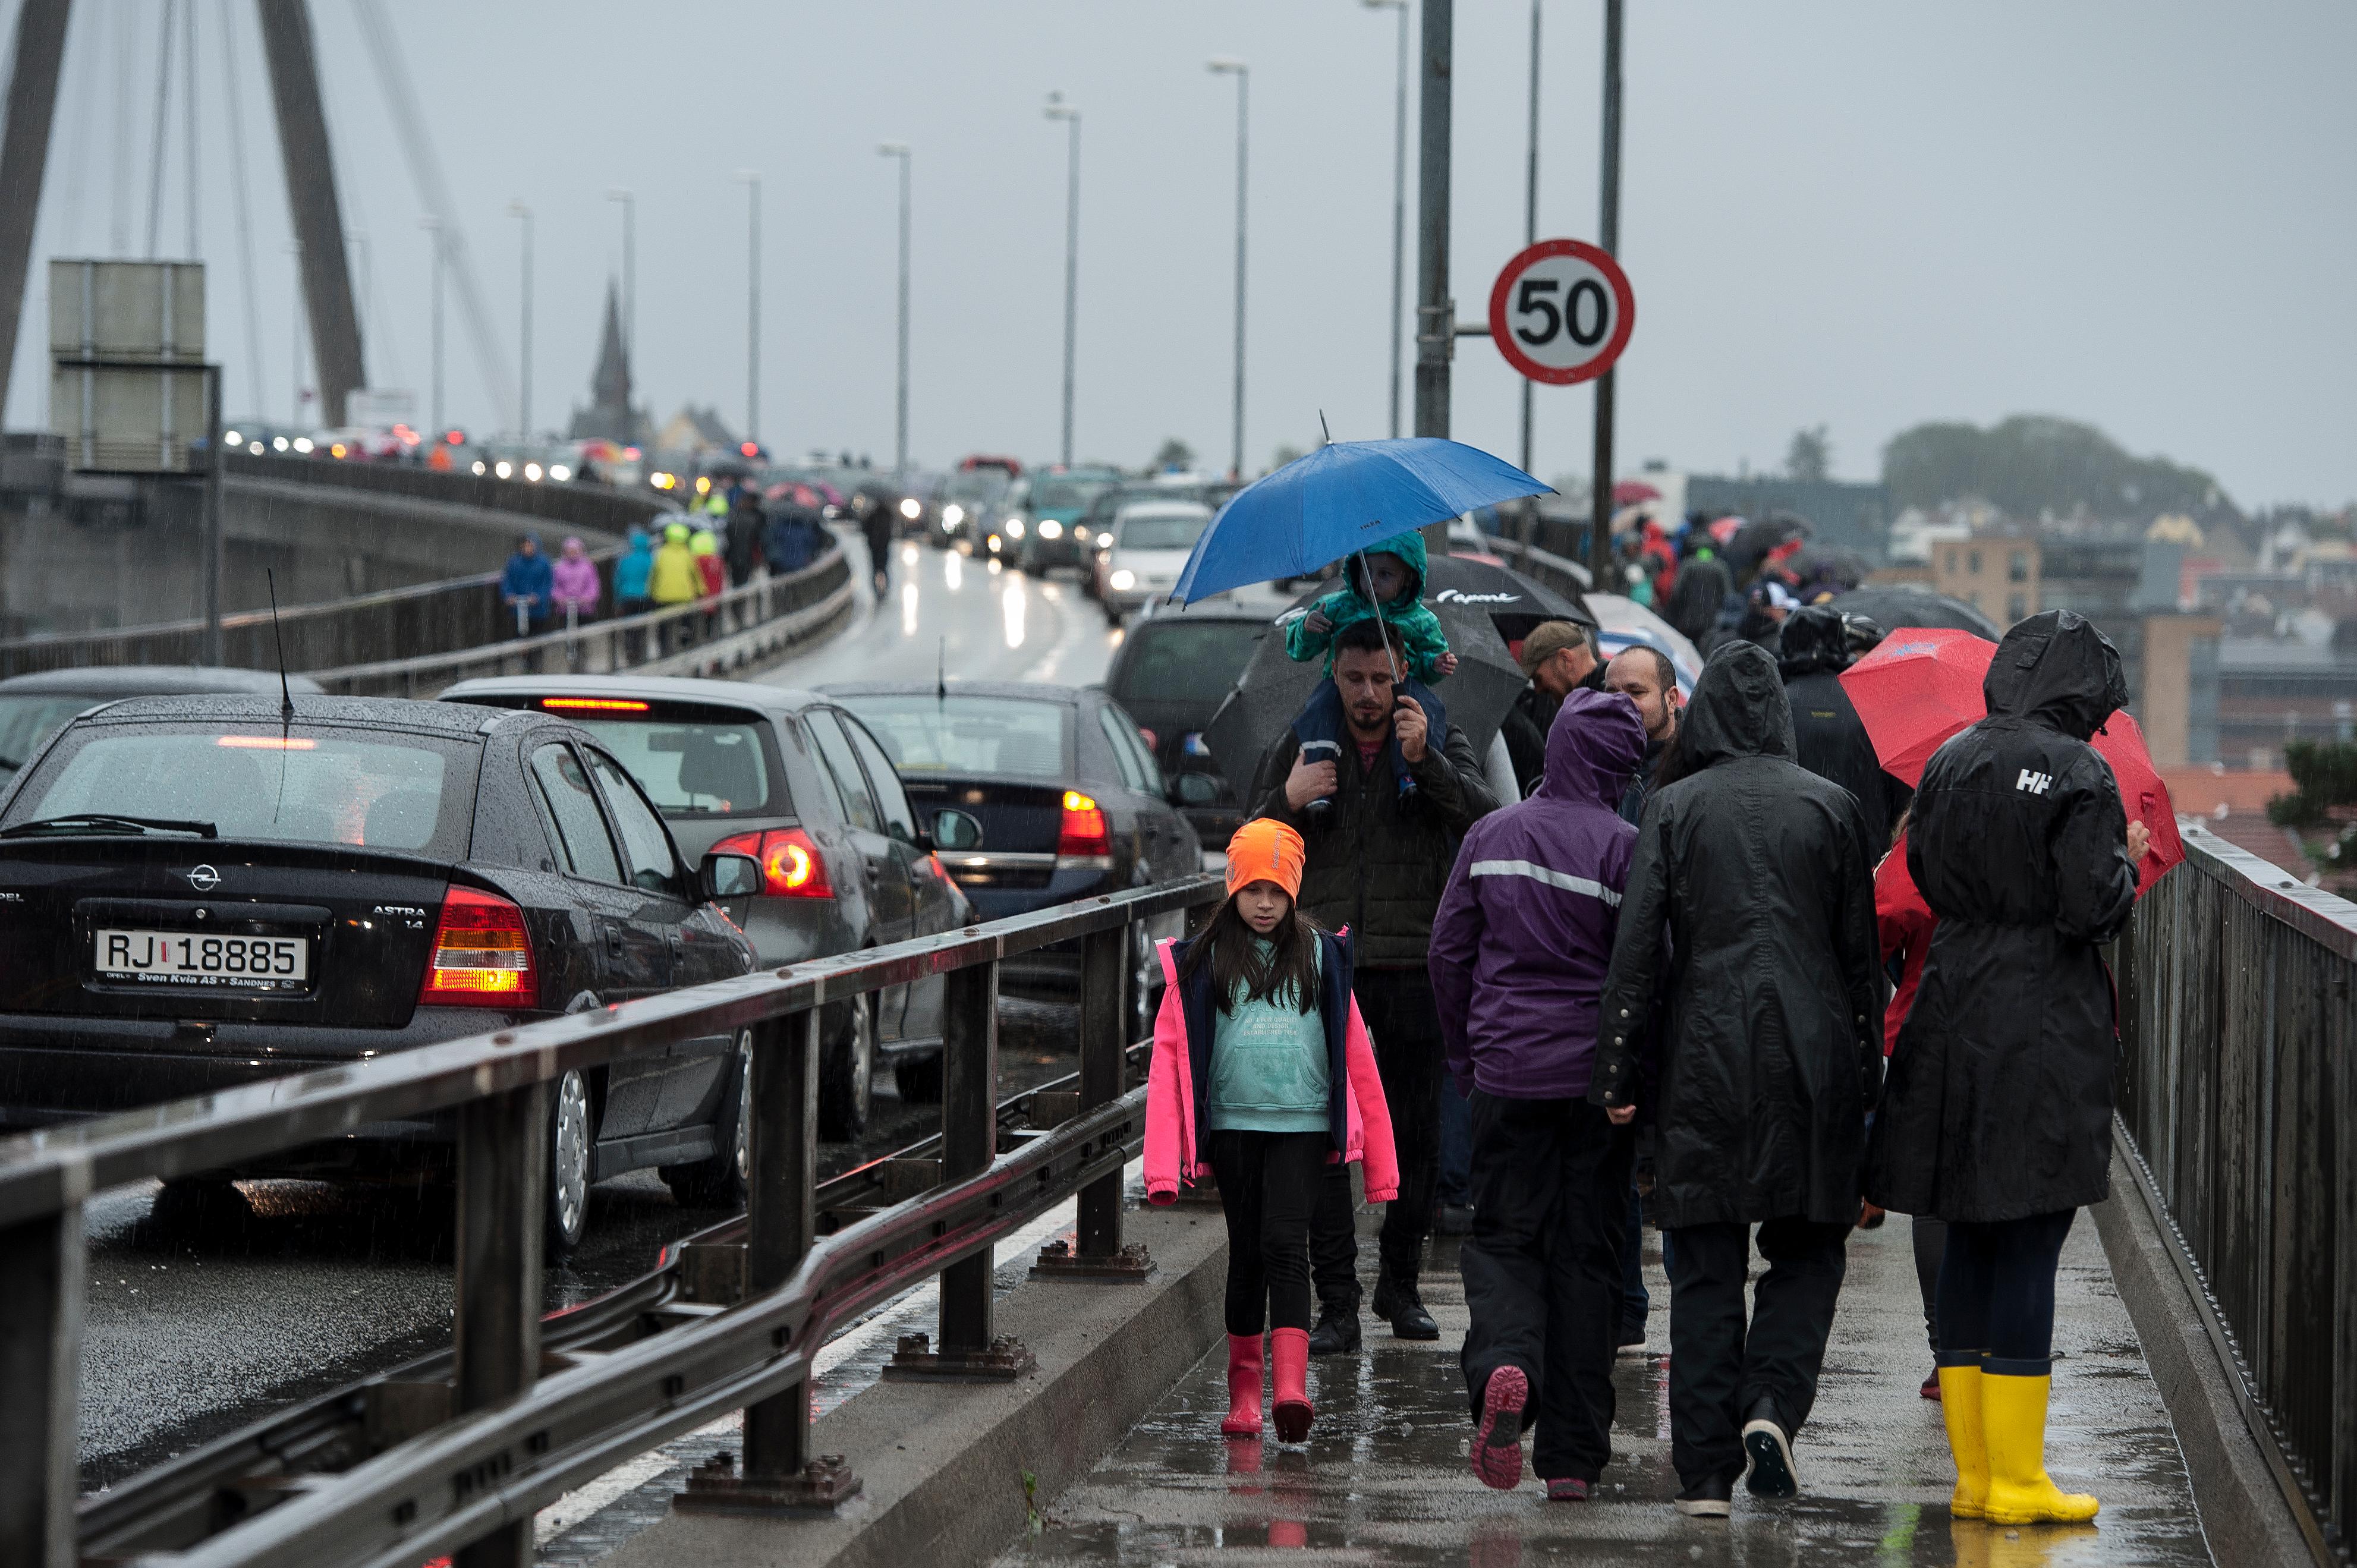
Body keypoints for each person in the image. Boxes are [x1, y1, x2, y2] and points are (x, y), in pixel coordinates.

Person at [1865, 610, 2147, 1528]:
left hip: (1951, 1002)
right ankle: (2022, 1477)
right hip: (2039, 1019)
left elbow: (1928, 876)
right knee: (2029, 1238)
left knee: (1970, 1237)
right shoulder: (2078, 771)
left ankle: (1976, 1474)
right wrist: (2128, 865)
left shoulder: (1947, 760)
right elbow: (2089, 907)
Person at [1588, 642, 1883, 1519]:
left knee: (1706, 1267)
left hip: (1701, 1056)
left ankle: (1705, 1473)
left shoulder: (1672, 807)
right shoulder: (1832, 807)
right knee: (1807, 1248)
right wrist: (1865, 1084)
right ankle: (1773, 1404)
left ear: (1705, 709)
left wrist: (1615, 1070)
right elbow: (1859, 962)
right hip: (1812, 1054)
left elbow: (1636, 954)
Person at [1248, 615, 1499, 1350]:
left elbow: (1485, 821)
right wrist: (1286, 801)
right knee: (1325, 1137)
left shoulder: (1431, 731)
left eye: (1380, 680)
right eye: (1353, 679)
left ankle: (1401, 1286)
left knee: (1415, 1136)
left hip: (1413, 967)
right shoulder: (1303, 742)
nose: (1367, 695)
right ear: (1333, 675)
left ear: (1401, 678)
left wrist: (1426, 763)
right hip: (1323, 967)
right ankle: (1337, 1303)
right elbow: (1250, 844)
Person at [1429, 688, 1648, 1502]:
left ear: (1552, 750)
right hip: (1594, 1088)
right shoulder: (1627, 849)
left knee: (1505, 1240)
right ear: (1620, 770)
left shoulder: (1492, 834)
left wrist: (1467, 1058)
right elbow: (1644, 971)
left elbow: (1447, 956)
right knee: (1587, 1257)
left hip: (1507, 1074)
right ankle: (1572, 1458)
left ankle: (1504, 1361)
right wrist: (1635, 1078)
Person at [1144, 820, 1399, 1446]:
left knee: (1288, 1245)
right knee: (1248, 1255)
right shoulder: (1202, 961)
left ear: (1293, 893)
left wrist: (1380, 1164)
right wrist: (1160, 1165)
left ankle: (1289, 1390)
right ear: (1232, 887)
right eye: (1253, 888)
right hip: (1233, 1128)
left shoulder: (1318, 955)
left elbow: (1356, 1060)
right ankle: (1243, 1397)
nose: (1264, 903)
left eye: (1276, 891)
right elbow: (1168, 1057)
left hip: (1302, 1127)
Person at [1283, 532, 1459, 809]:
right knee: (1319, 709)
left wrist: (1435, 665)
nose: (1372, 583)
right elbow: (1299, 649)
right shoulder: (1337, 606)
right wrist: (1307, 628)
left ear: (1409, 578)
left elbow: (1429, 659)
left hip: (1404, 684)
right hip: (1337, 686)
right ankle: (1319, 782)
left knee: (1428, 709)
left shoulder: (1422, 620)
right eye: (1367, 571)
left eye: (1385, 575)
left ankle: (1411, 774)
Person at [1872, 807, 1946, 1400]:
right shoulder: (2041, 825)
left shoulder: (1925, 840)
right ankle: (1996, 1343)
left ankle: (1946, 1350)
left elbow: (1883, 920)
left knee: (1933, 1198)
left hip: (1930, 1029)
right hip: (2019, 1036)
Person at [1778, 604, 1909, 854]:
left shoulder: (1775, 704)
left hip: (1793, 854)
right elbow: (1900, 795)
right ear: (1840, 644)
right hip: (1863, 854)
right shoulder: (1872, 703)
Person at [1500, 620, 1602, 798]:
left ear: (1565, 659)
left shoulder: (1607, 700)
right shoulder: (1589, 701)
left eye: (1538, 678)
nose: (1538, 689)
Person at [1603, 645, 1682, 827]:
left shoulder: (1695, 764)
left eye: (1636, 692)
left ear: (1671, 700)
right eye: (1612, 693)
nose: (1621, 704)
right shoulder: (1595, 759)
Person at [1662, 547, 1732, 650]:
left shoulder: (1687, 565)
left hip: (1689, 619)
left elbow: (1676, 592)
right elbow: (1729, 594)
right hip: (1712, 619)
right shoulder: (1721, 566)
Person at [649, 521, 700, 651]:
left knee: (665, 626)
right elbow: (695, 575)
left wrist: (652, 592)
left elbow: (654, 575)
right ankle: (685, 645)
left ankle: (665, 649)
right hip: (684, 596)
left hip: (664, 597)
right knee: (685, 623)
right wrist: (701, 590)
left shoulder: (661, 554)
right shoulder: (687, 554)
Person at [499, 532, 553, 637]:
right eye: (525, 545)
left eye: (530, 545)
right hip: (517, 610)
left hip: (538, 611)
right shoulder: (514, 562)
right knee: (518, 638)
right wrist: (509, 595)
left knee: (537, 640)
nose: (527, 548)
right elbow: (507, 581)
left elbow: (548, 583)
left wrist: (538, 597)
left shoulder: (544, 563)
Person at [549, 536, 601, 625]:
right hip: (564, 611)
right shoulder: (559, 568)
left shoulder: (588, 566)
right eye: (569, 551)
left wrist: (586, 599)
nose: (572, 553)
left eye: (574, 550)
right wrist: (560, 599)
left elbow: (593, 585)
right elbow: (554, 586)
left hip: (585, 610)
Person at [860, 489, 896, 596]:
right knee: (883, 568)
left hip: (875, 547)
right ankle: (885, 588)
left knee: (875, 569)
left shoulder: (873, 515)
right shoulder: (888, 515)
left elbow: (865, 528)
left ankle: (876, 589)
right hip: (883, 547)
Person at [726, 485, 763, 586]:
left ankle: (737, 600)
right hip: (747, 556)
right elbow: (757, 540)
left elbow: (729, 538)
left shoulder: (734, 517)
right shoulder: (755, 519)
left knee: (737, 582)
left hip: (735, 556)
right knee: (745, 582)